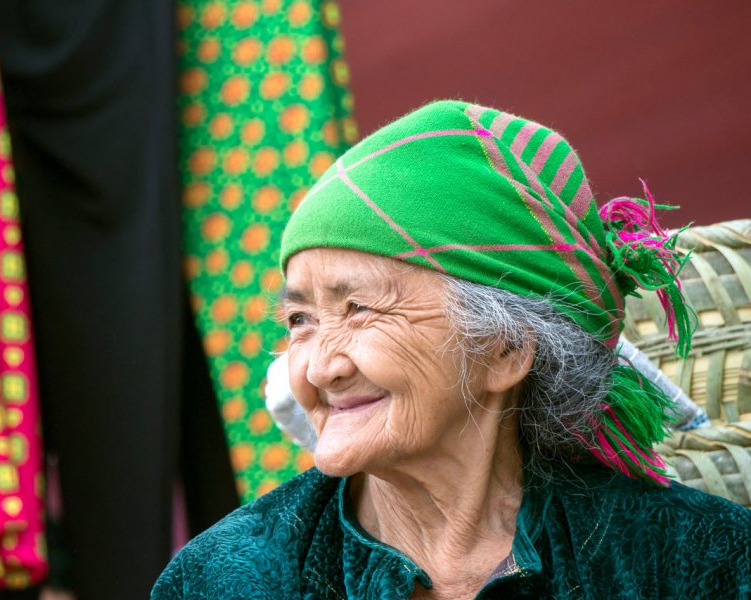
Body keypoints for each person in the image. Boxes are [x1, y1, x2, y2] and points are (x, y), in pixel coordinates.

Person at [151, 101, 751, 599]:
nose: (318, 367)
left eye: (360, 309)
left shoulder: (694, 561)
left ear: (504, 351)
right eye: (301, 319)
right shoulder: (230, 579)